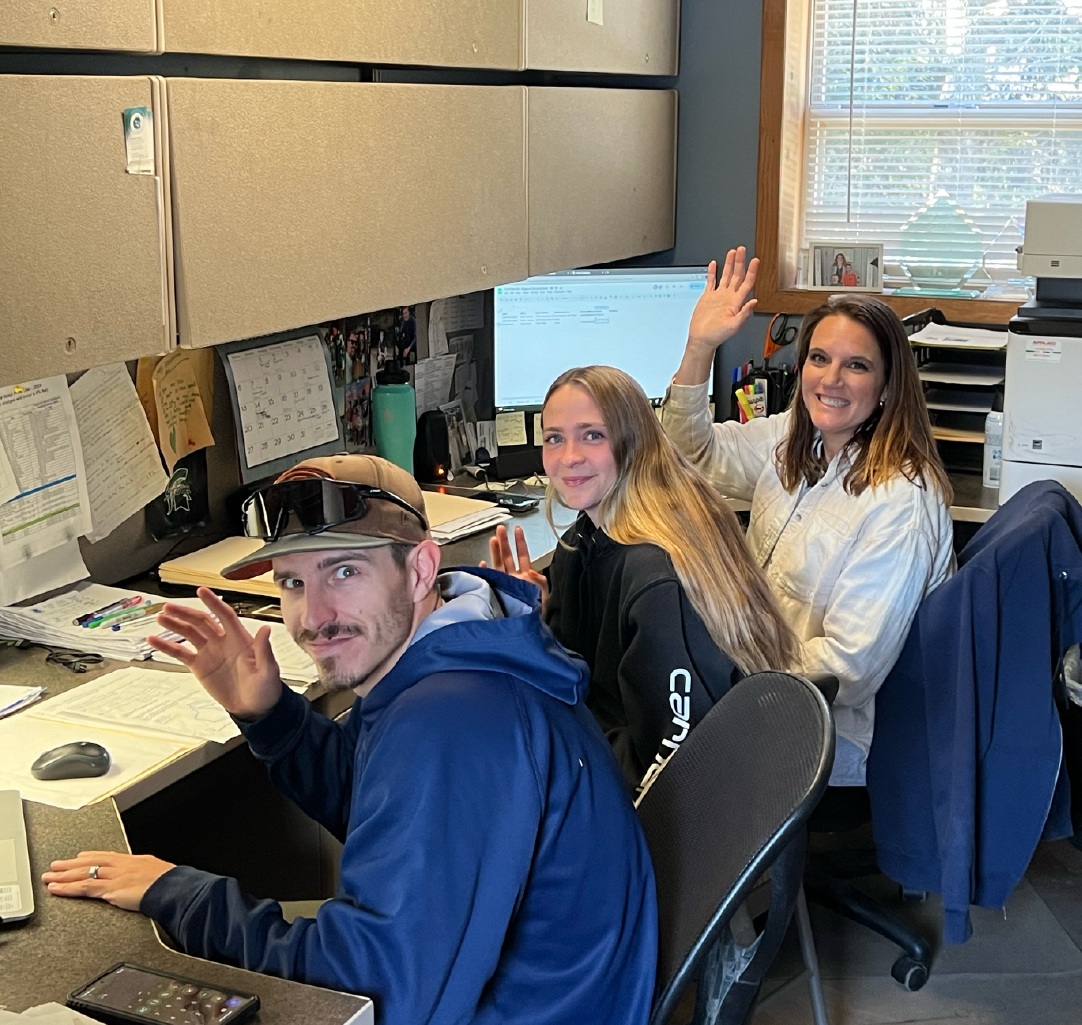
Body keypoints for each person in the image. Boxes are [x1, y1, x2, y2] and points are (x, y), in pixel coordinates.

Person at [43, 455, 658, 1025]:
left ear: (419, 569)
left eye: (344, 570)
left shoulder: (451, 721)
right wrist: (271, 716)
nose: (313, 617)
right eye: (292, 583)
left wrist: (179, 892)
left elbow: (377, 989)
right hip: (537, 989)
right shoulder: (459, 644)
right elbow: (383, 805)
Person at [661, 247, 954, 788]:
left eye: (857, 365)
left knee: (651, 739)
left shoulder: (901, 501)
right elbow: (686, 456)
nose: (832, 379)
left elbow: (848, 669)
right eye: (820, 359)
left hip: (823, 731)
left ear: (888, 386)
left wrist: (732, 681)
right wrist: (699, 347)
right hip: (757, 677)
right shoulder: (797, 440)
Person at [484, 366, 797, 793]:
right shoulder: (585, 540)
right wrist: (538, 623)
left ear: (633, 441)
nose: (568, 456)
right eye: (554, 437)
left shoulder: (657, 577)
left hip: (676, 825)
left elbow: (671, 772)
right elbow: (578, 680)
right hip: (606, 773)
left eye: (593, 435)